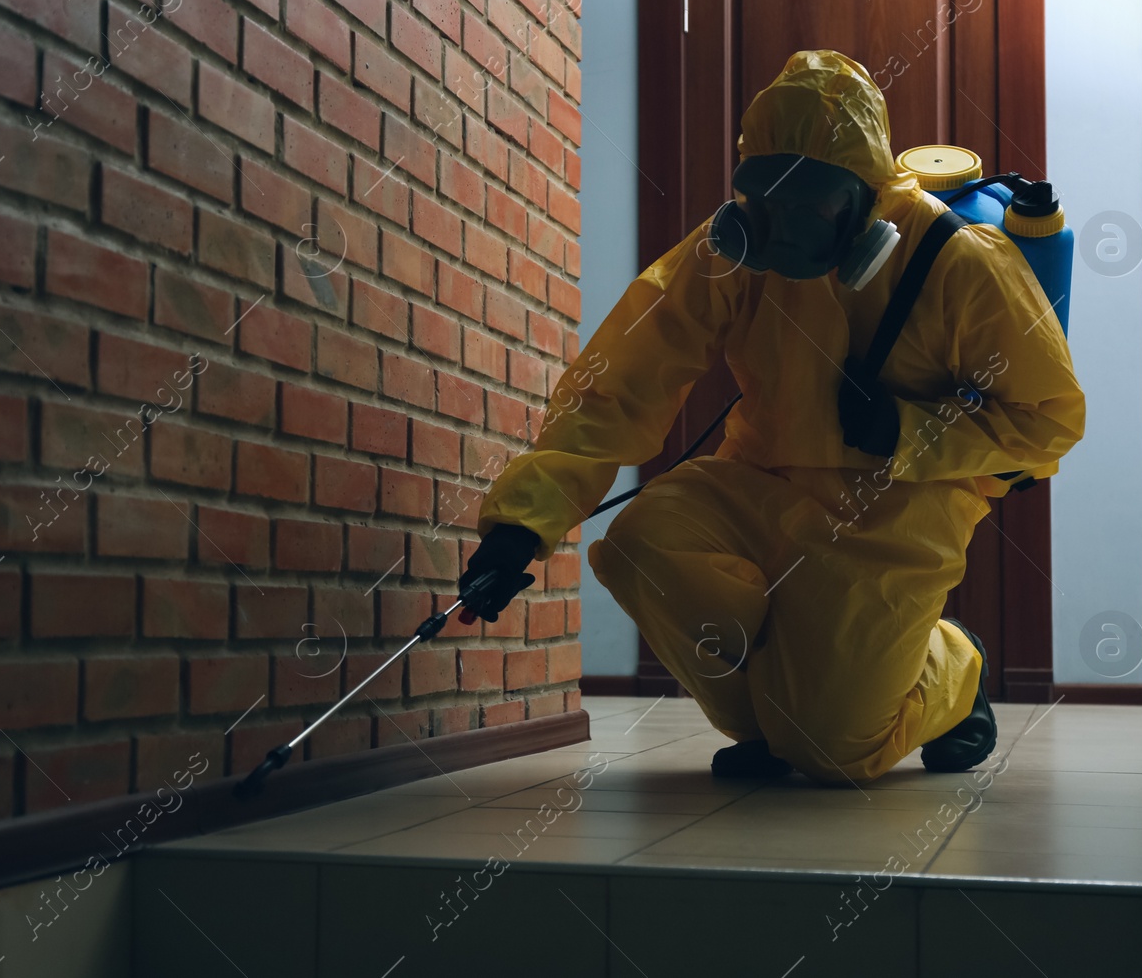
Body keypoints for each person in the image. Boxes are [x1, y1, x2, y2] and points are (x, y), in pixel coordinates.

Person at [458, 50, 1085, 784]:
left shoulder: (960, 262)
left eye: (809, 205)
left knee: (833, 755)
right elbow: (619, 385)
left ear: (866, 195)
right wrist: (521, 523)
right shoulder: (730, 250)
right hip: (756, 483)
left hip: (894, 509)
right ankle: (777, 724)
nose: (780, 229)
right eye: (767, 199)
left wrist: (907, 430)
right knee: (639, 546)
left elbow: (1049, 422)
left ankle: (953, 668)